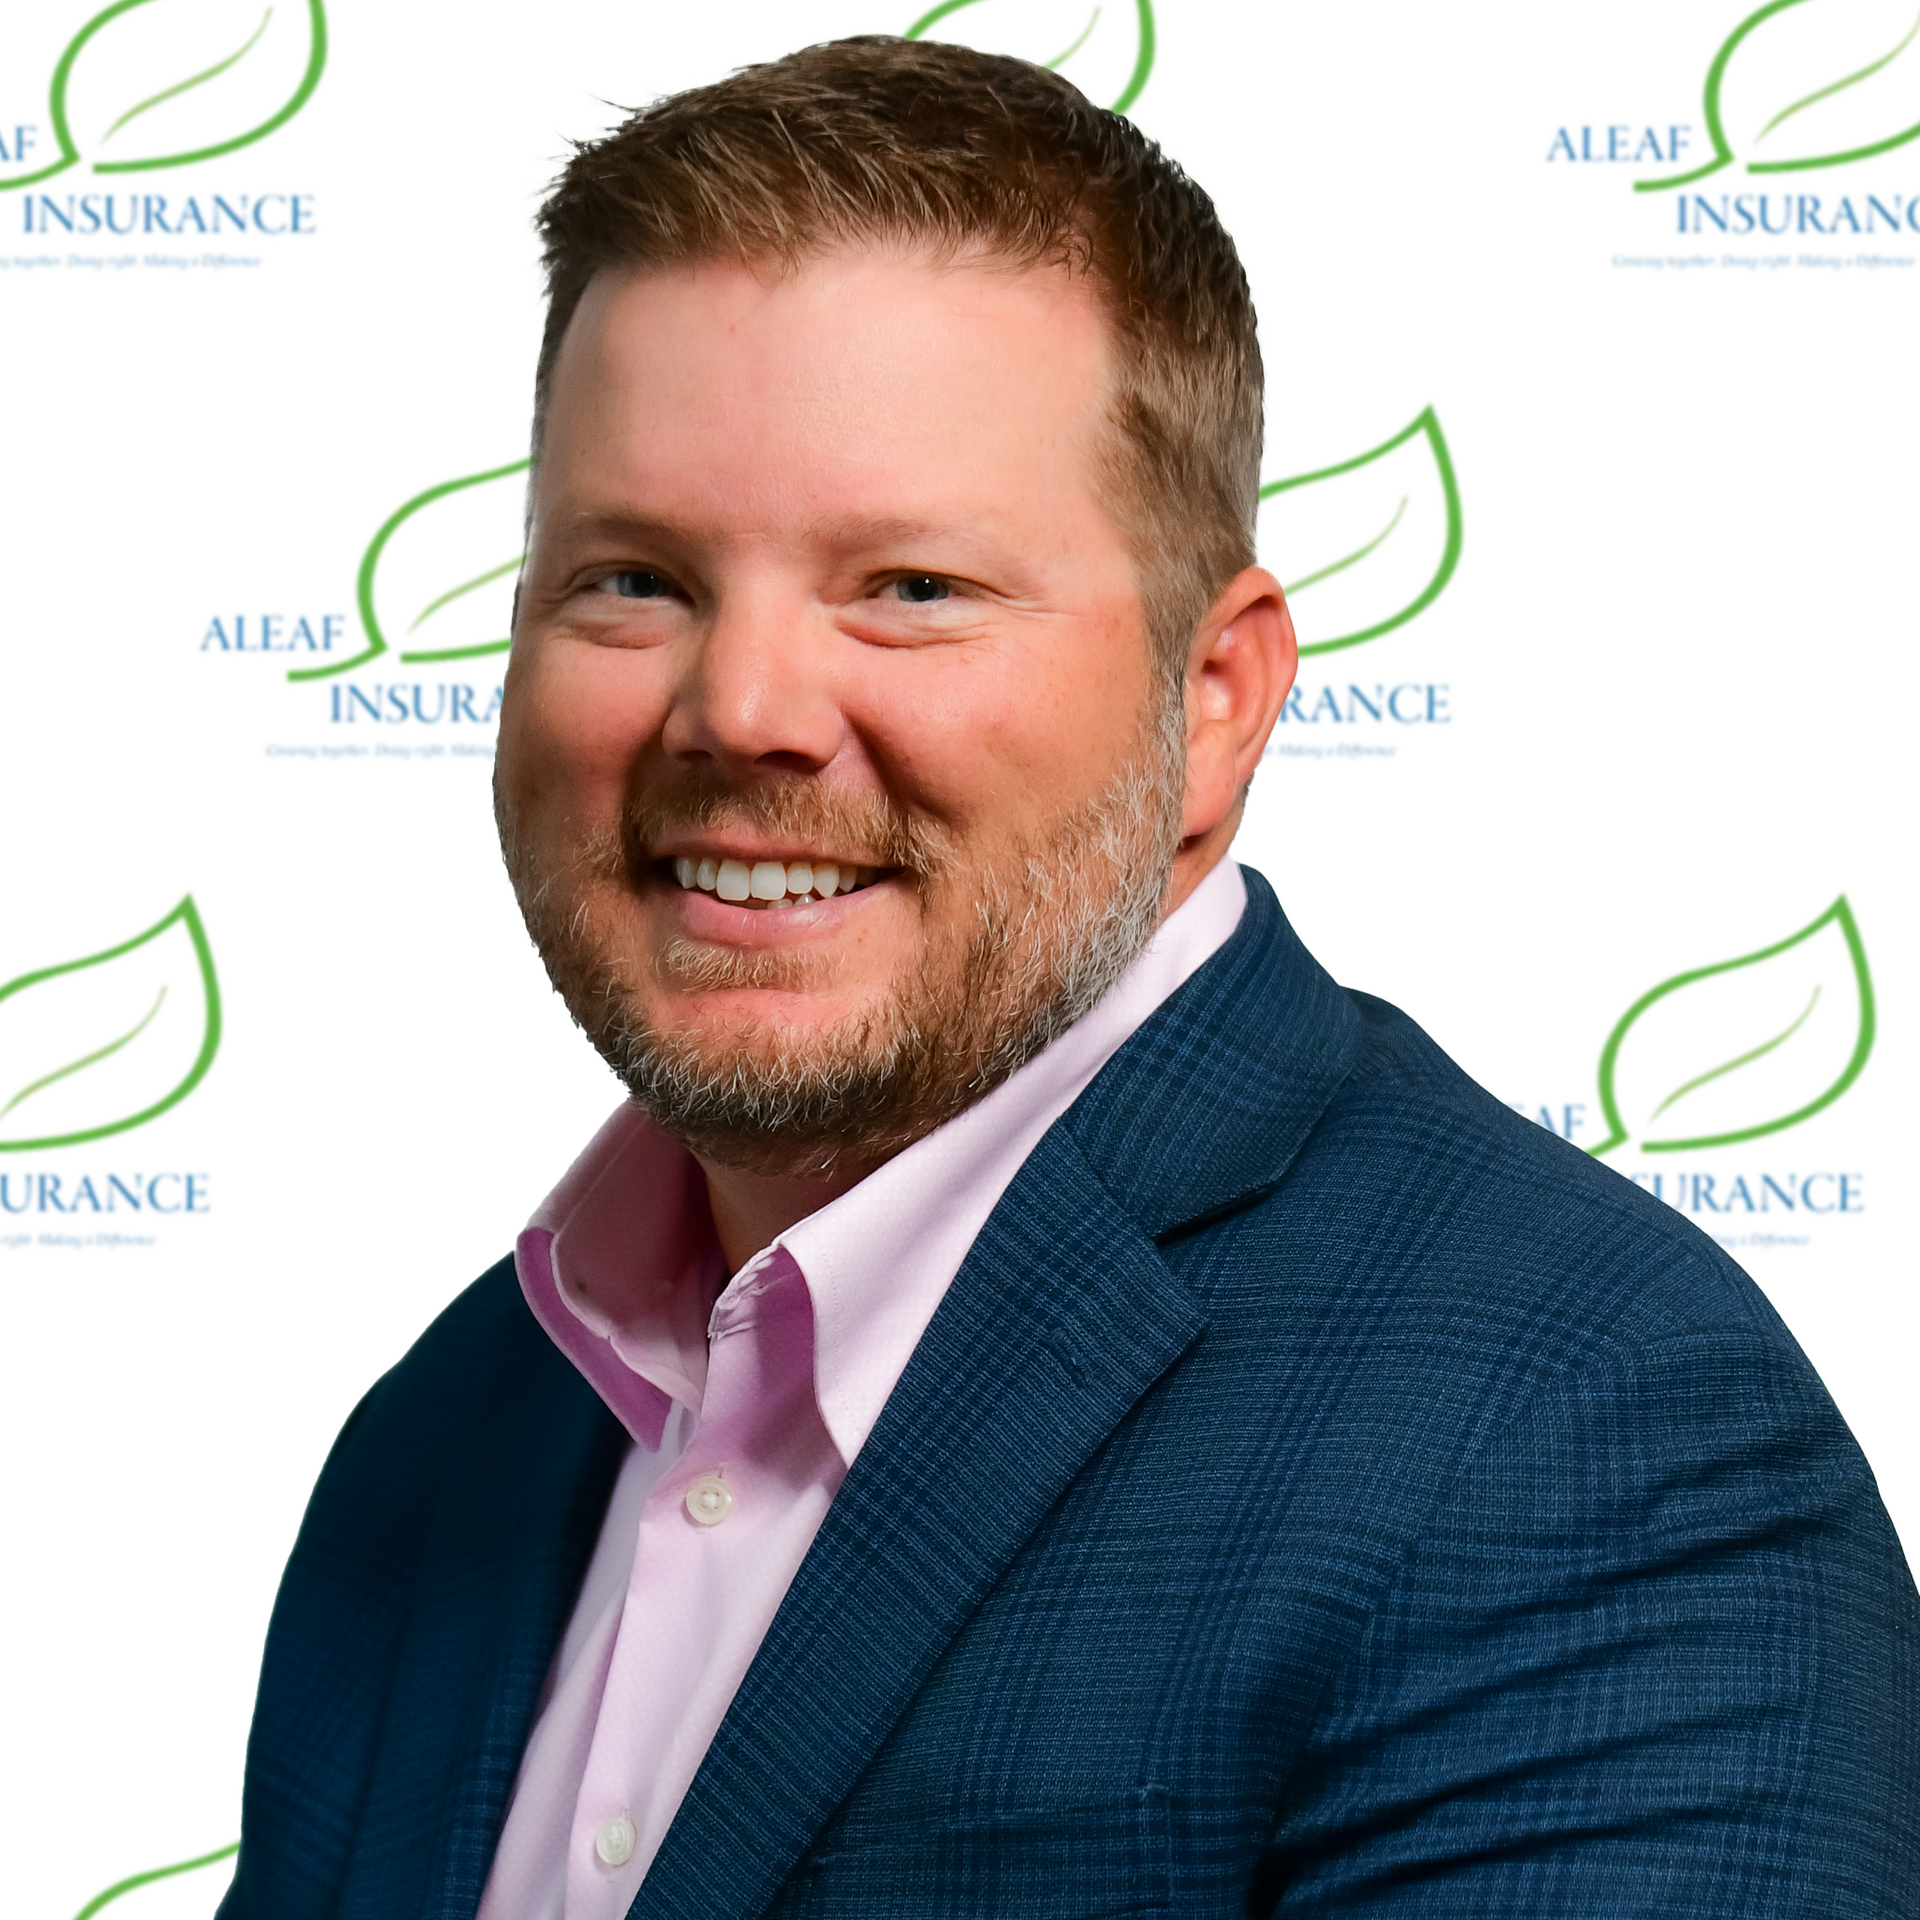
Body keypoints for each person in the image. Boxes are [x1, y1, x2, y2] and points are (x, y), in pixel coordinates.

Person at [219, 37, 1918, 1920]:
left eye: (914, 587)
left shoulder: (1584, 1433)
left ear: (1214, 706)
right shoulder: (444, 1443)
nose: (743, 711)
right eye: (633, 579)